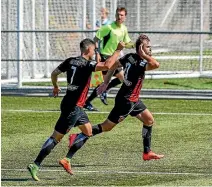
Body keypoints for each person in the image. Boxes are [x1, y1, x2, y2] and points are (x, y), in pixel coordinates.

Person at [27, 38, 125, 181]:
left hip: (71, 104)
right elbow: (107, 65)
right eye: (93, 50)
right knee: (56, 137)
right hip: (73, 108)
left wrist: (55, 86)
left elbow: (54, 73)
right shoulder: (87, 64)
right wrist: (118, 49)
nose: (94, 52)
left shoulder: (70, 61)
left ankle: (67, 159)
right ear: (87, 50)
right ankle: (35, 164)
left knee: (88, 131)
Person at [67, 34, 164, 174]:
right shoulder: (141, 63)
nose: (151, 49)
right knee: (106, 127)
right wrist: (144, 55)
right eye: (148, 47)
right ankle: (77, 136)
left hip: (133, 99)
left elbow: (115, 65)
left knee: (149, 120)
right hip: (126, 101)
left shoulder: (129, 57)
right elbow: (156, 64)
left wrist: (106, 82)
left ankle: (147, 152)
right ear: (141, 49)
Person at [84, 7, 135, 111]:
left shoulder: (124, 29)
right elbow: (95, 39)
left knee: (123, 79)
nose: (119, 16)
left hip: (115, 59)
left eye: (121, 15)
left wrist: (135, 45)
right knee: (123, 80)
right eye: (117, 14)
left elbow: (126, 44)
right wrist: (97, 53)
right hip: (105, 58)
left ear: (125, 17)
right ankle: (127, 101)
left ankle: (94, 98)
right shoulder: (108, 27)